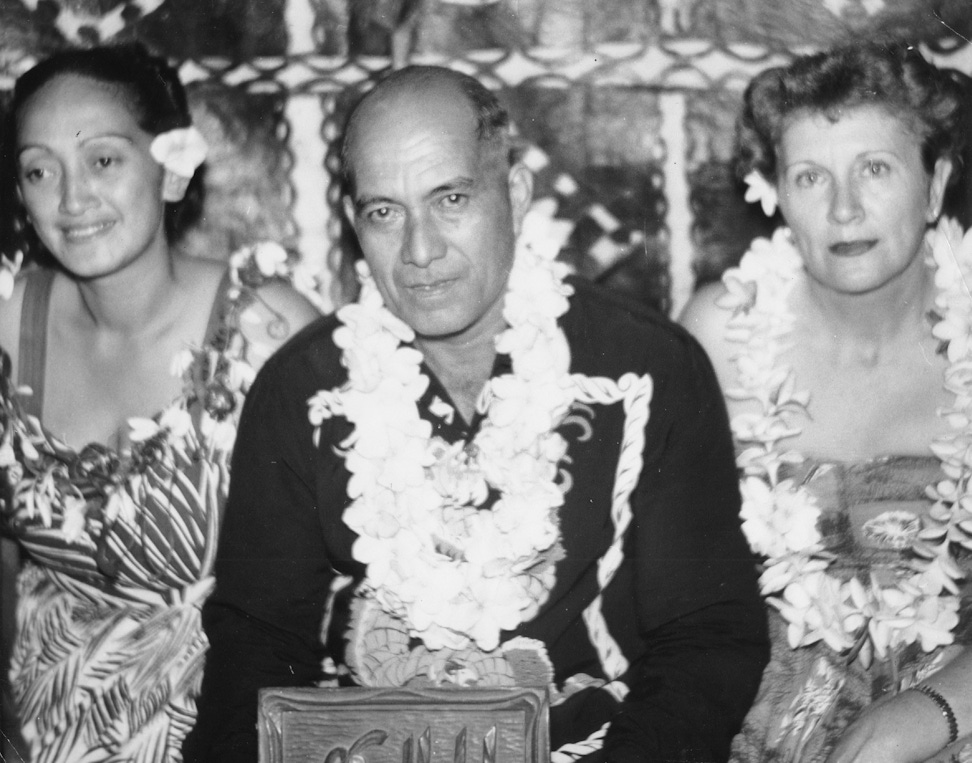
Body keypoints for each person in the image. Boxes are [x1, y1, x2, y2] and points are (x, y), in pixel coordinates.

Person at [185, 64, 768, 763]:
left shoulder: (647, 370)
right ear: (354, 225)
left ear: (516, 195)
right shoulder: (301, 391)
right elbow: (256, 642)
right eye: (384, 212)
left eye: (451, 198)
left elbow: (706, 636)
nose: (420, 251)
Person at [0, 44, 320, 762]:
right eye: (39, 170)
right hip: (41, 716)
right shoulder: (7, 330)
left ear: (172, 169)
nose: (72, 199)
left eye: (103, 160)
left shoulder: (267, 332)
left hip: (235, 718)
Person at [680, 41, 972, 763]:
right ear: (776, 193)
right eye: (811, 176)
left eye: (875, 168)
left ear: (934, 186)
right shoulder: (721, 337)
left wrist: (930, 712)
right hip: (755, 724)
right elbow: (673, 603)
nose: (844, 208)